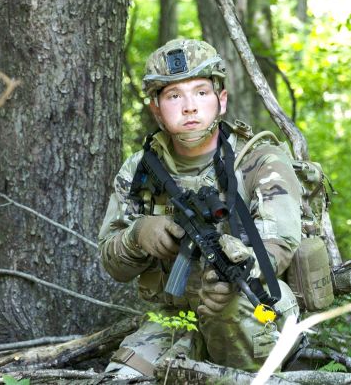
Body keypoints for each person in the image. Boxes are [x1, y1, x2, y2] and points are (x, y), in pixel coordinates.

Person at [98, 38, 302, 376]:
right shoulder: (140, 169)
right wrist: (137, 234)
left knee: (236, 311)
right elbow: (113, 264)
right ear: (156, 109)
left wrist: (236, 272)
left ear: (221, 100)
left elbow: (278, 247)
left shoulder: (260, 160)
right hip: (176, 317)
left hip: (258, 305)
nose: (189, 107)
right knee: (124, 379)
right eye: (174, 96)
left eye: (201, 92)